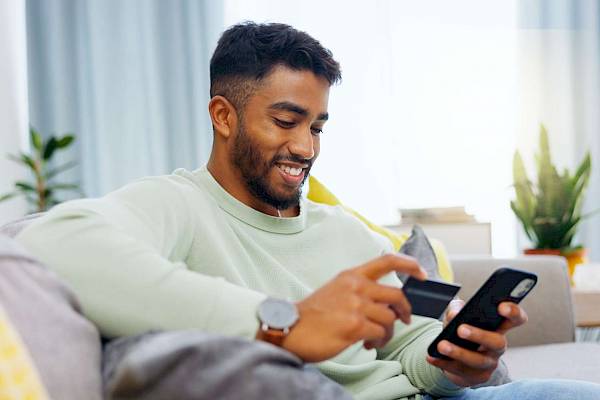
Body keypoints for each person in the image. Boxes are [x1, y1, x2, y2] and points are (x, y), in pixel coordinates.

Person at [16, 22, 600, 400]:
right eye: (287, 121)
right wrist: (285, 321)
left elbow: (405, 354)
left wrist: (453, 361)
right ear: (223, 115)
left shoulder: (347, 233)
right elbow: (55, 243)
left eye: (318, 126)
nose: (307, 148)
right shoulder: (177, 204)